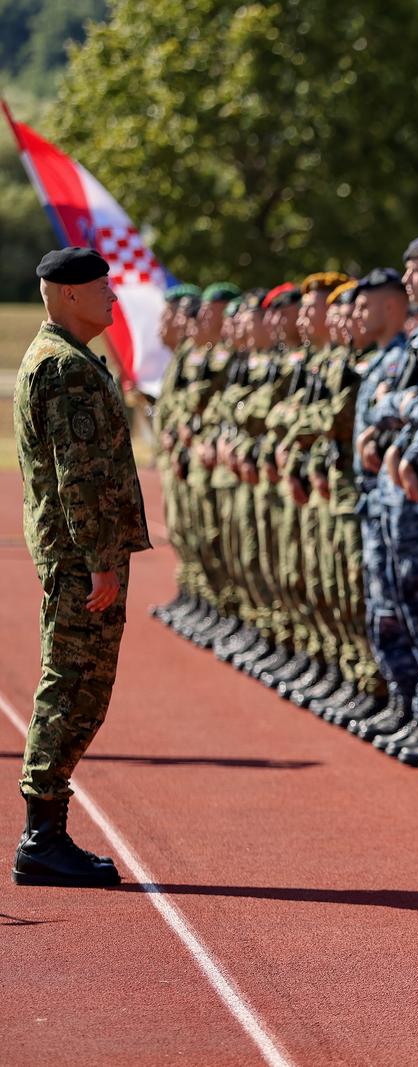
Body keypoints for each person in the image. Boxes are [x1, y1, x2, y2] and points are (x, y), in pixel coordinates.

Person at [13, 247, 151, 888]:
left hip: (77, 554)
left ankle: (47, 833)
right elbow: (80, 478)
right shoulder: (64, 368)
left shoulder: (64, 358)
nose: (113, 300)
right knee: (72, 690)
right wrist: (101, 561)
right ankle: (41, 839)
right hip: (80, 558)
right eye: (102, 289)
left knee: (80, 690)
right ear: (67, 294)